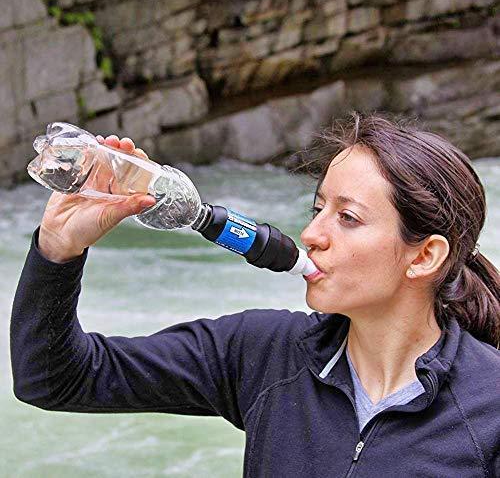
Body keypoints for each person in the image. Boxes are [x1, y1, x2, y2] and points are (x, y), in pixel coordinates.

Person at [10, 114, 499, 477]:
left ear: (425, 256)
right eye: (318, 209)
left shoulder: (490, 407)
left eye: (347, 218)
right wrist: (58, 248)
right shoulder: (264, 352)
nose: (311, 234)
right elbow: (56, 379)